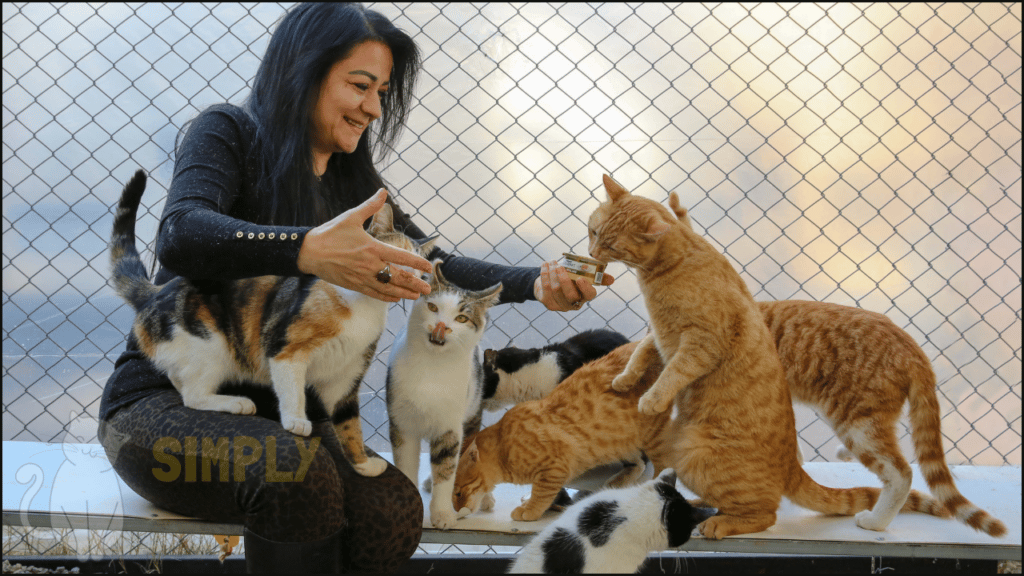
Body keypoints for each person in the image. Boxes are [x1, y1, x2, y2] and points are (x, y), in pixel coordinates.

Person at [98, 3, 614, 573]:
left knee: (391, 508)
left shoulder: (353, 181)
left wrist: (536, 284)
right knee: (296, 474)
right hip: (159, 409)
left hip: (282, 415)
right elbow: (182, 232)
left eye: (383, 91)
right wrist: (306, 248)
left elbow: (432, 264)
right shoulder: (227, 132)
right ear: (304, 72)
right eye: (360, 85)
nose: (374, 106)